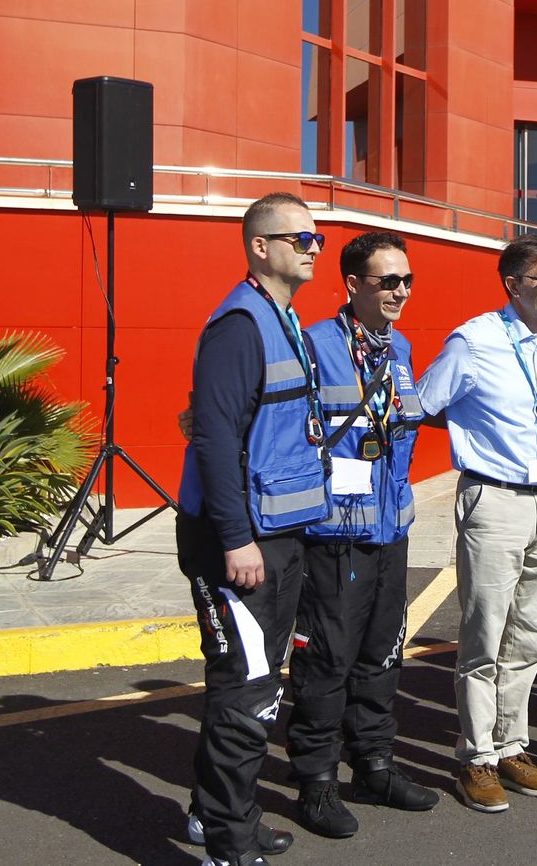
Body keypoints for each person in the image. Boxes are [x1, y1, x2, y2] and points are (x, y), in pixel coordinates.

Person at [175, 192, 326, 866]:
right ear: (260, 247)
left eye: (317, 239)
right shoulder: (240, 324)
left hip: (280, 532)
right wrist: (237, 538)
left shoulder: (283, 318)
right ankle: (229, 848)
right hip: (238, 539)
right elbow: (213, 438)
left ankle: (220, 816)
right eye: (300, 238)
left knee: (255, 684)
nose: (313, 248)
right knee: (246, 689)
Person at [285, 231, 439, 835]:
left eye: (407, 280)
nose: (401, 290)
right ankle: (316, 781)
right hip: (335, 533)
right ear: (353, 285)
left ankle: (373, 764)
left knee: (382, 654)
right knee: (327, 661)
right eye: (388, 280)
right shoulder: (317, 343)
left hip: (389, 527)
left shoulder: (396, 346)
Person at [416, 234, 537, 813]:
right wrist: (472, 439)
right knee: (484, 635)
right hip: (494, 500)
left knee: (529, 634)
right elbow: (425, 404)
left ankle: (511, 745)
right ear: (513, 285)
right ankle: (476, 757)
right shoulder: (474, 340)